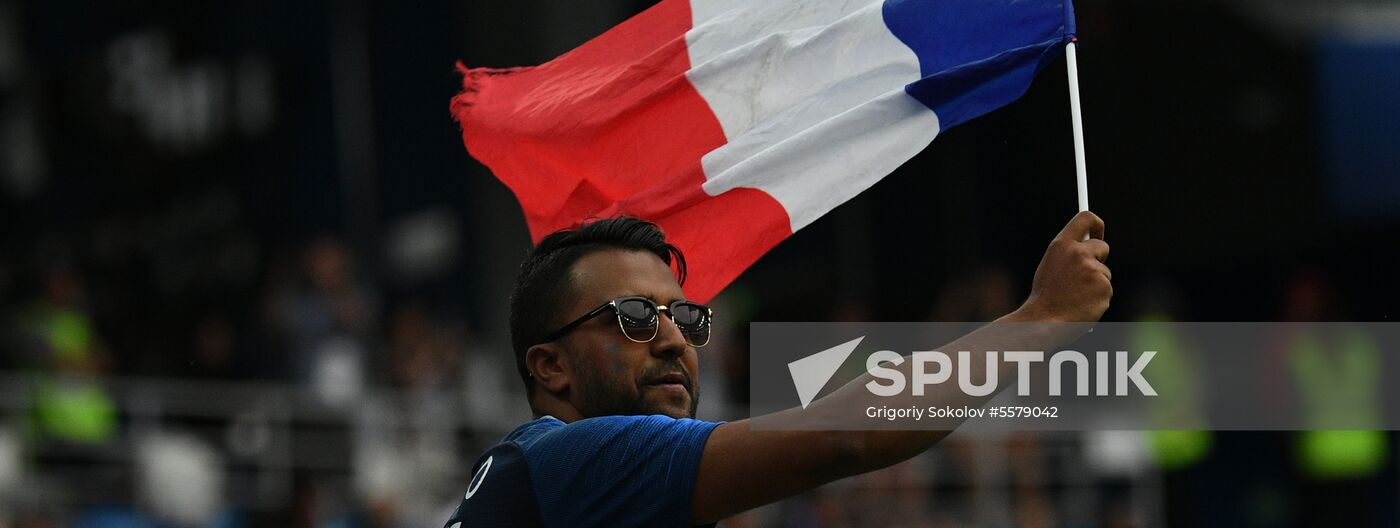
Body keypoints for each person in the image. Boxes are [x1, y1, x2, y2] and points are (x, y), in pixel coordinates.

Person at [444, 212, 1111, 527]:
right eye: (636, 316)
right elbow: (846, 433)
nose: (675, 340)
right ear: (549, 366)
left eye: (686, 318)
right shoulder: (576, 460)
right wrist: (1042, 318)